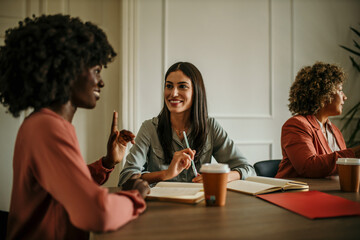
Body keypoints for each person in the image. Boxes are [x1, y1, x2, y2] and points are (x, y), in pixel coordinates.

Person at [0, 14, 150, 240]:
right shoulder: (47, 128)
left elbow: (66, 185)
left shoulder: (42, 123)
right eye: (96, 70)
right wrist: (135, 196)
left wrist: (107, 163)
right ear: (66, 70)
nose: (101, 82)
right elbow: (97, 213)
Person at [118, 62, 255, 186]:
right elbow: (125, 178)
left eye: (182, 86)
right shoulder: (149, 128)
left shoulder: (210, 126)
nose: (173, 93)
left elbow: (248, 169)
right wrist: (166, 174)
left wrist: (221, 177)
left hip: (200, 206)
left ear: (196, 92)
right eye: (169, 86)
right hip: (160, 207)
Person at [276, 62, 360, 178]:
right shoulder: (296, 125)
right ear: (325, 94)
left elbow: (342, 169)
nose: (345, 97)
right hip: (296, 193)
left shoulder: (335, 131)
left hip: (327, 192)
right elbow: (308, 167)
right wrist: (355, 153)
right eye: (340, 90)